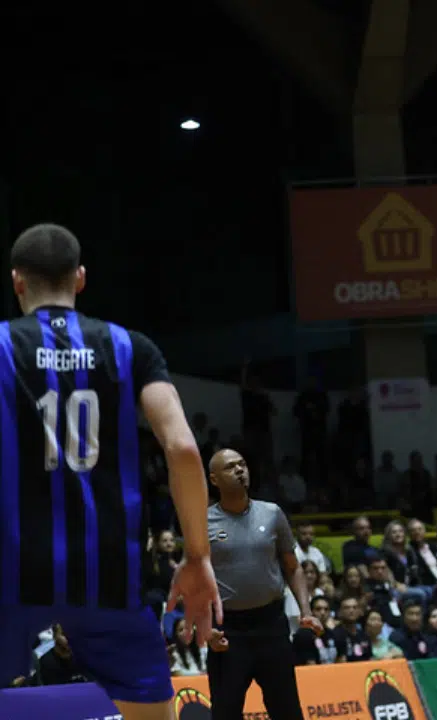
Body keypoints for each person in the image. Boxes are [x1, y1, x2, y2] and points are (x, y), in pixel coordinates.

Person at [0, 224, 221, 720]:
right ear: (80, 278)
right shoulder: (129, 347)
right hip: (109, 577)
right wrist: (197, 555)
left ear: (17, 281)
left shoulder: (1, 346)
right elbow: (183, 447)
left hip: (14, 569)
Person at [205, 448, 322, 720]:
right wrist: (206, 628)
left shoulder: (272, 513)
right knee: (225, 713)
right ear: (214, 479)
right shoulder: (202, 522)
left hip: (272, 626)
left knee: (288, 712)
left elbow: (292, 567)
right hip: (228, 631)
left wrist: (306, 611)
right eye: (230, 467)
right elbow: (195, 581)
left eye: (242, 464)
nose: (239, 470)